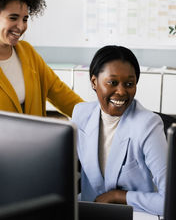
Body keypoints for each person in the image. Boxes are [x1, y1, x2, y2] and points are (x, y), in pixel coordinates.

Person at [71, 45, 167, 215]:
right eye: (112, 83)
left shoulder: (148, 125)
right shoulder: (81, 114)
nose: (122, 91)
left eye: (129, 84)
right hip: (89, 211)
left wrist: (119, 196)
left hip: (134, 214)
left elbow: (170, 200)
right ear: (94, 82)